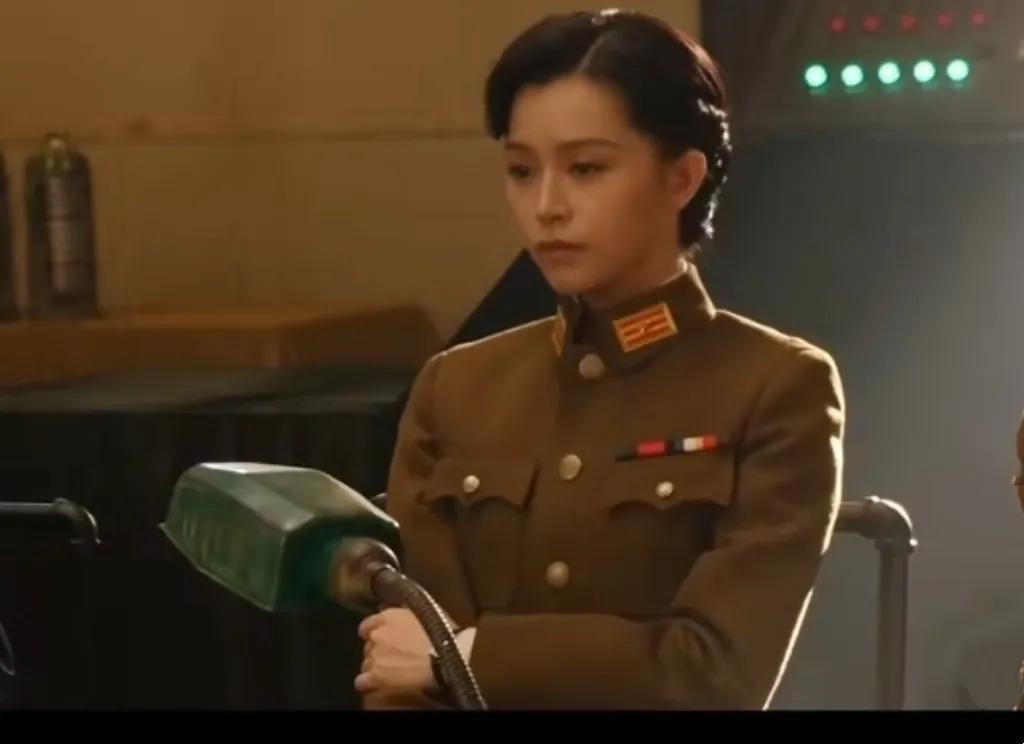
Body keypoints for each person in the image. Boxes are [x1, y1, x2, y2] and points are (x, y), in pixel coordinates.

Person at [354, 9, 845, 710]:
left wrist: (463, 654)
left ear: (682, 177)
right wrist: (436, 658)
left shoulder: (775, 386)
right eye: (521, 170)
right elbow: (403, 672)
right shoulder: (457, 386)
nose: (546, 206)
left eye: (586, 168)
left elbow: (716, 674)